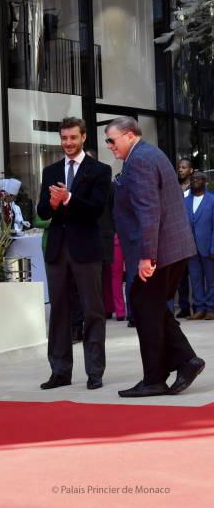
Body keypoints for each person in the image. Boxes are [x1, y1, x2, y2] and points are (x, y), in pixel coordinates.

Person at [107, 116, 205, 397]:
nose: (109, 146)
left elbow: (149, 210)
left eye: (112, 140)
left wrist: (146, 256)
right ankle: (183, 361)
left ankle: (158, 377)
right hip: (172, 249)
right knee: (151, 308)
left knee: (145, 307)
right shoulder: (150, 153)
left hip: (159, 251)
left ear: (128, 135)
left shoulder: (139, 160)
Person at [36, 117, 111, 391]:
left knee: (93, 310)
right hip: (57, 249)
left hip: (86, 248)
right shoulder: (50, 170)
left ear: (83, 138)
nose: (68, 143)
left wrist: (68, 199)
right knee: (59, 311)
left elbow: (96, 209)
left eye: (72, 138)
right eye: (64, 138)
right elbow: (42, 212)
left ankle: (94, 371)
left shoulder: (100, 170)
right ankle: (59, 371)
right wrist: (53, 204)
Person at [184, 171, 214, 321]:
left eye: (198, 179)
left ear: (205, 181)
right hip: (191, 248)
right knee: (195, 279)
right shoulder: (185, 201)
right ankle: (200, 308)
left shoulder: (212, 200)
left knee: (211, 279)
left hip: (208, 247)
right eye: (193, 179)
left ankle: (211, 308)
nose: (195, 181)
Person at [175, 158, 194, 318]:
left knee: (195, 274)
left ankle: (200, 305)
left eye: (183, 167)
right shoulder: (174, 187)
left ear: (191, 170)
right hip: (178, 237)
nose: (180, 170)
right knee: (181, 276)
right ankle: (184, 306)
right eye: (179, 167)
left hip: (193, 237)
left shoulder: (196, 189)